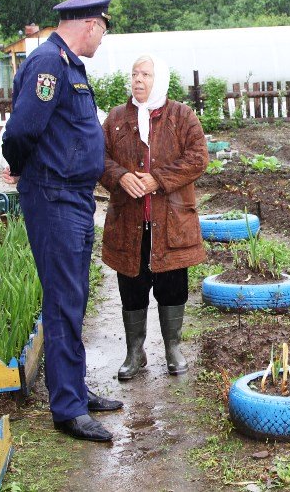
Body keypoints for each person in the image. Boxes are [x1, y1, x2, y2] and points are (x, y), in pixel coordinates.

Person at [0, 0, 122, 443]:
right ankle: (67, 409)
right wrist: (17, 164)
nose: (103, 39)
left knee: (74, 296)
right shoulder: (49, 64)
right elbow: (24, 129)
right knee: (63, 298)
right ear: (90, 24)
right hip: (53, 196)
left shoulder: (67, 63)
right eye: (104, 30)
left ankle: (74, 388)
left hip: (71, 195)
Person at [100, 55, 208, 382]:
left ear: (158, 78)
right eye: (134, 74)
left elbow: (198, 158)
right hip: (128, 223)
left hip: (172, 221)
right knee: (131, 288)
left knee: (172, 286)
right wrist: (120, 177)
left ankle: (173, 347)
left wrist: (157, 178)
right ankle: (136, 352)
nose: (138, 80)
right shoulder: (117, 118)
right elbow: (98, 158)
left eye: (146, 74)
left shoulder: (181, 116)